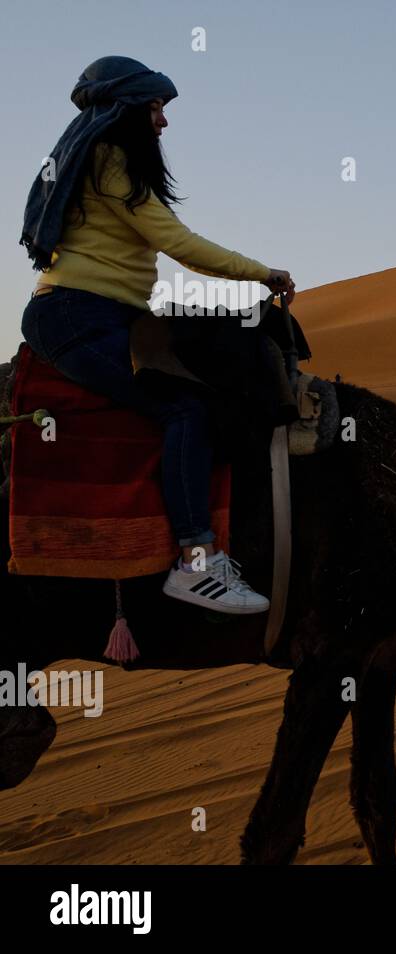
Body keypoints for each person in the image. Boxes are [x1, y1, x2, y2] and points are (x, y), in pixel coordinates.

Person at [18, 56, 294, 614]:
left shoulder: (96, 160)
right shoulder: (109, 160)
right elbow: (180, 243)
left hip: (107, 315)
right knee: (184, 407)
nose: (163, 122)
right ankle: (196, 563)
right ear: (125, 109)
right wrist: (265, 273)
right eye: (156, 108)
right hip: (77, 316)